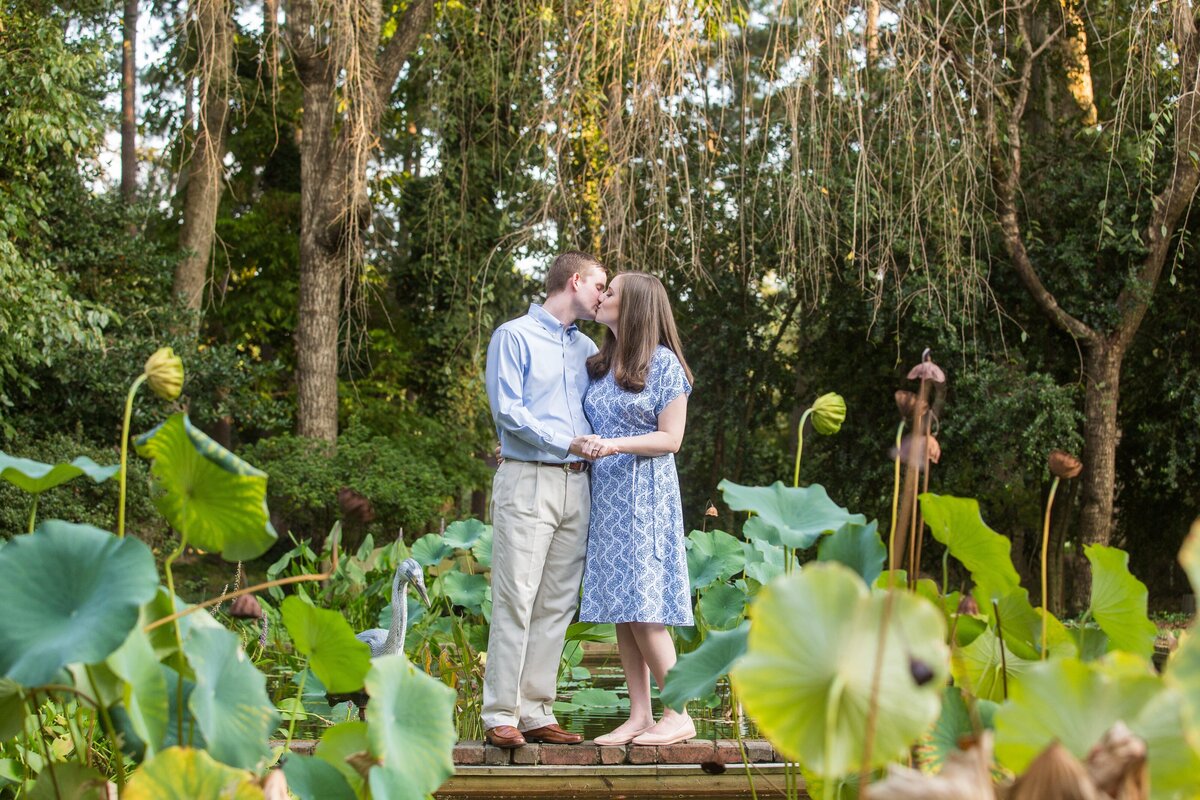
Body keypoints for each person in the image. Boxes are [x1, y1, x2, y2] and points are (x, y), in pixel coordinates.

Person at [481, 250, 609, 749]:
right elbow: (508, 413)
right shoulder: (512, 336)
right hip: (529, 480)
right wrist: (566, 443)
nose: (603, 294)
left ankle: (536, 711)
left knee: (557, 604)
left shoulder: (588, 350)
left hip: (580, 485)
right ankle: (498, 716)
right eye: (600, 284)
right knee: (516, 597)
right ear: (574, 281)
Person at [576, 271, 697, 747]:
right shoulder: (602, 364)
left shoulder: (664, 365)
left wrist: (612, 445)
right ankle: (640, 715)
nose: (602, 296)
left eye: (612, 292)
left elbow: (672, 439)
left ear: (636, 307)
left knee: (645, 608)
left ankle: (679, 711)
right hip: (607, 498)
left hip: (645, 499)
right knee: (623, 608)